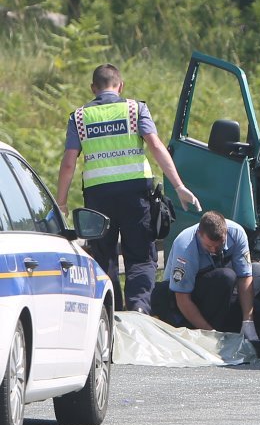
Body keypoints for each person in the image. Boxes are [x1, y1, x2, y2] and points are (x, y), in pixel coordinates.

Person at [56, 63, 201, 314]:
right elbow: (156, 147)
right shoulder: (135, 109)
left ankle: (109, 313)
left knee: (104, 256)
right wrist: (178, 186)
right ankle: (139, 310)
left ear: (93, 88)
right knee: (141, 256)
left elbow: (69, 162)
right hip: (136, 196)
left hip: (99, 197)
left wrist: (61, 202)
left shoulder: (79, 117)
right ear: (120, 86)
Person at [153, 211, 259, 340]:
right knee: (226, 277)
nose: (214, 250)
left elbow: (245, 277)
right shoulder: (185, 247)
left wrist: (248, 322)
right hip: (179, 300)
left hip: (212, 293)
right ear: (199, 234)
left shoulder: (237, 234)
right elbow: (182, 298)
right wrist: (211, 334)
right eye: (209, 246)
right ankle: (207, 331)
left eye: (219, 245)